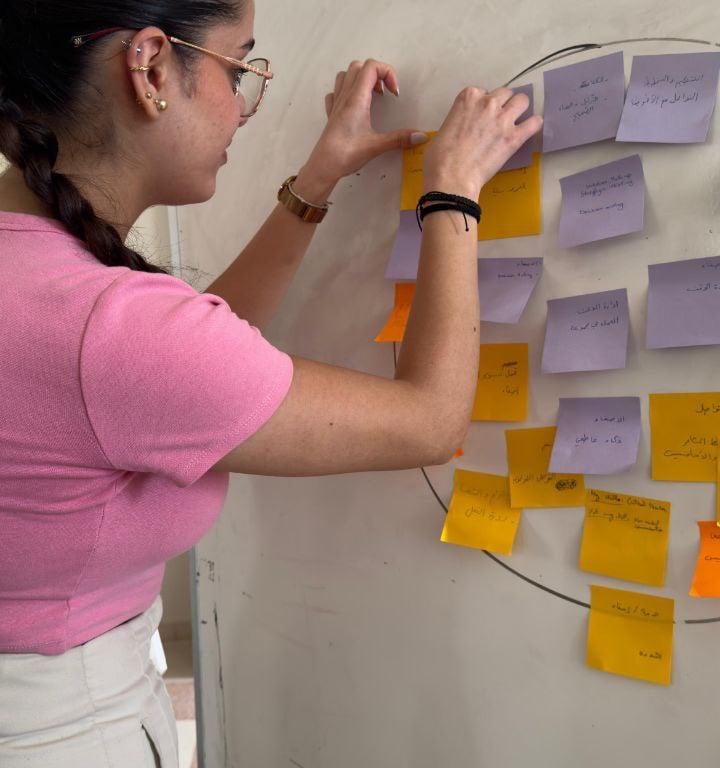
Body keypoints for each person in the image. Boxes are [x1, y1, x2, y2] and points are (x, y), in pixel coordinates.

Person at [0, 0, 542, 765]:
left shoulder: (58, 293)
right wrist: (451, 190)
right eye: (239, 68)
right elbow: (429, 421)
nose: (246, 106)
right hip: (58, 732)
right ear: (150, 67)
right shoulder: (110, 329)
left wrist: (317, 179)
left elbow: (180, 370)